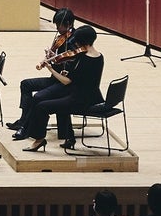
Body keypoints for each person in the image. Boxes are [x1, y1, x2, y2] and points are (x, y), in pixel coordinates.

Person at [12, 24, 103, 152]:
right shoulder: (99, 56)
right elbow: (79, 78)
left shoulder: (83, 60)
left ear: (81, 42)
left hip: (79, 99)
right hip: (91, 95)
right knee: (43, 97)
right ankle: (69, 137)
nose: (75, 45)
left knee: (41, 107)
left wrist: (51, 69)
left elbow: (66, 81)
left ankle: (38, 140)